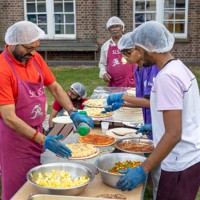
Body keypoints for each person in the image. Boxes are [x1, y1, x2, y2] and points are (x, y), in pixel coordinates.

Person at [0, 21, 94, 200]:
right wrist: (43, 140)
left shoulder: (34, 59)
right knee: (18, 191)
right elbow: (9, 118)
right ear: (13, 43)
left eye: (36, 47)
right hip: (15, 141)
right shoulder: (2, 70)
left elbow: (56, 88)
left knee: (40, 185)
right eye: (28, 48)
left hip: (37, 132)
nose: (33, 53)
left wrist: (72, 112)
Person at [112, 21, 200, 200]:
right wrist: (156, 127)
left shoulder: (166, 77)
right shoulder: (180, 68)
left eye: (137, 48)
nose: (136, 54)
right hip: (190, 158)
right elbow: (185, 114)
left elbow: (174, 134)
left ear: (149, 47)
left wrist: (143, 169)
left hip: (178, 162)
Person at [103, 30, 160, 199]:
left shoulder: (154, 69)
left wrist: (123, 96)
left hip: (161, 122)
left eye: (128, 53)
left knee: (158, 169)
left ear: (139, 50)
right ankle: (150, 188)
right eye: (122, 54)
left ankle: (157, 192)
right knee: (152, 164)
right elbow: (142, 98)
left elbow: (153, 102)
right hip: (150, 123)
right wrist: (124, 104)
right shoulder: (137, 69)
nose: (125, 58)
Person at [98, 16, 137, 87]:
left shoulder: (129, 42)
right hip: (114, 83)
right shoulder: (105, 46)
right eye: (111, 27)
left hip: (132, 82)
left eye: (117, 26)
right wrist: (104, 73)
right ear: (109, 30)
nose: (114, 29)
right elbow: (102, 64)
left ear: (122, 28)